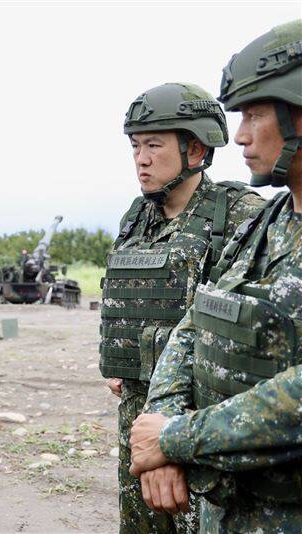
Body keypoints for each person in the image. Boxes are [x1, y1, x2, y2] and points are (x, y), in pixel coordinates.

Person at [131, 20, 302, 532]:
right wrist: (161, 426)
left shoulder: (239, 211)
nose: (242, 135)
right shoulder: (268, 222)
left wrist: (175, 438)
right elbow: (195, 322)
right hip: (229, 509)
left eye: (254, 114)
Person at [98, 83, 264, 533]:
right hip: (136, 410)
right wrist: (119, 360)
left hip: (200, 419)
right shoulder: (137, 216)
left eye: (154, 146)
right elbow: (122, 292)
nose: (141, 159)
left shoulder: (240, 213)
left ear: (195, 149)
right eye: (136, 147)